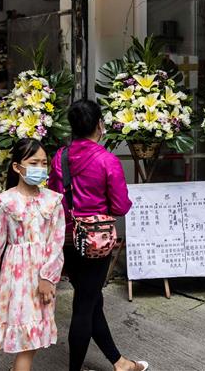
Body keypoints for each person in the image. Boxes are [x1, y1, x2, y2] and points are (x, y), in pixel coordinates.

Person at [48, 99, 148, 371]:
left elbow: (53, 197)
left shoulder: (60, 157)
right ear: (99, 125)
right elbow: (120, 205)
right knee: (84, 305)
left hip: (68, 239)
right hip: (96, 242)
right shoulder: (107, 160)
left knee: (92, 300)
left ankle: (119, 362)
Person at [0, 139, 65, 371]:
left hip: (42, 277)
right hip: (17, 278)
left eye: (44, 163)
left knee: (32, 334)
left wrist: (47, 277)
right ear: (16, 167)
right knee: (25, 334)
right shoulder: (5, 202)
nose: (40, 168)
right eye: (34, 163)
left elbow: (56, 242)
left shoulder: (53, 201)